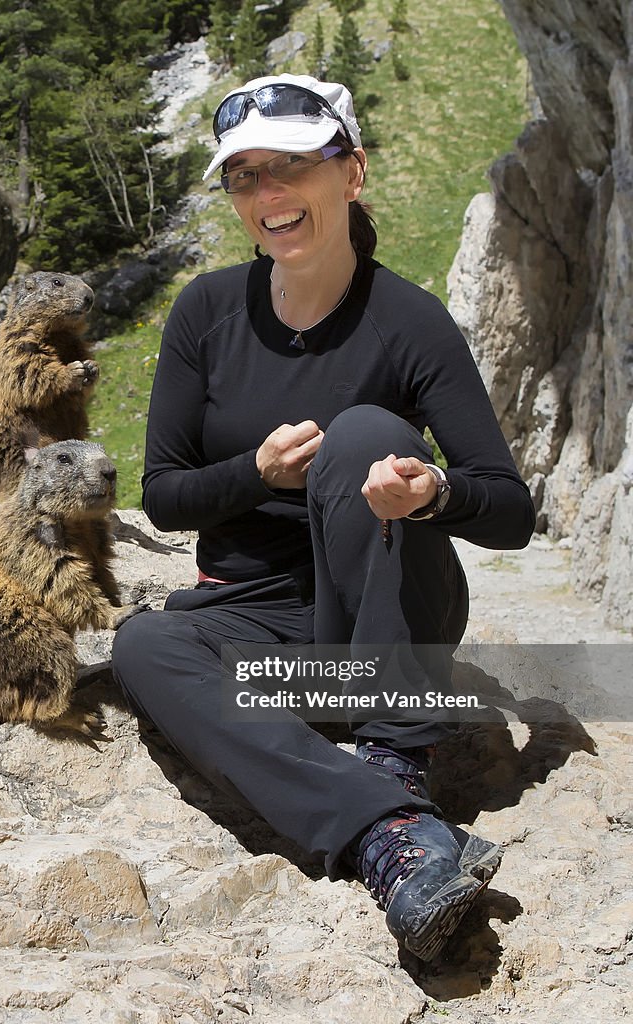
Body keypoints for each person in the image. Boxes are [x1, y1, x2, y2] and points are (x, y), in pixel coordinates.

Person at [111, 73, 536, 961]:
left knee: (366, 437)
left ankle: (395, 758)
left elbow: (510, 510)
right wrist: (252, 470)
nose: (268, 196)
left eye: (293, 167)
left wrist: (432, 493)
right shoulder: (205, 312)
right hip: (264, 633)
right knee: (144, 645)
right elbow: (162, 492)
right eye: (244, 176)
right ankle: (394, 833)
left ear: (351, 173)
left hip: (388, 621)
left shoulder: (408, 322)